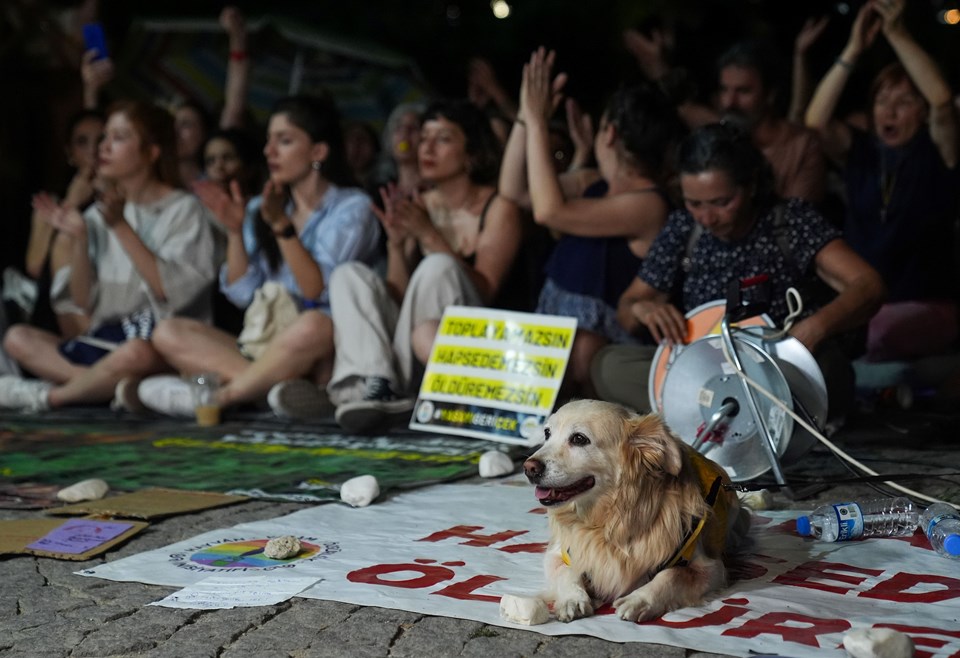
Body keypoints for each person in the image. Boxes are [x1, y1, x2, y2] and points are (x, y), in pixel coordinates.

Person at [591, 123, 886, 423]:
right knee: (608, 364)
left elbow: (868, 285)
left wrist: (814, 329)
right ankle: (729, 415)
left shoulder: (790, 221)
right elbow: (627, 311)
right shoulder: (684, 228)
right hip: (706, 372)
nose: (707, 217)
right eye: (695, 203)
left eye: (722, 203)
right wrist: (643, 309)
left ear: (751, 185)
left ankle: (716, 418)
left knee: (827, 371)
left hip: (781, 369)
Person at [123, 94, 383, 420]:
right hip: (266, 344)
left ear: (318, 151)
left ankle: (223, 395)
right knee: (167, 332)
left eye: (284, 141)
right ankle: (275, 389)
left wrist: (281, 227)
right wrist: (234, 231)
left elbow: (316, 291)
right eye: (268, 140)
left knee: (313, 324)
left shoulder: (352, 207)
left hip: (324, 347)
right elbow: (243, 294)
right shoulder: (261, 206)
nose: (269, 151)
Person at [286, 99, 523, 432]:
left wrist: (430, 235)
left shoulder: (499, 207)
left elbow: (486, 289)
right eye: (423, 138)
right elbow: (398, 294)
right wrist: (396, 246)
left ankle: (352, 393)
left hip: (466, 349)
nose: (425, 147)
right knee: (348, 274)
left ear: (472, 152)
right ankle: (375, 384)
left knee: (438, 266)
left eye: (442, 139)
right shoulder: (417, 204)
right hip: (410, 351)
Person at [0, 100, 217, 412]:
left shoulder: (184, 209)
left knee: (135, 354)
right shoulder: (95, 215)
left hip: (158, 346)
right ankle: (111, 387)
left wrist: (120, 226)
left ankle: (55, 396)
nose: (104, 147)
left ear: (152, 152)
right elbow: (83, 301)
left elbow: (170, 291)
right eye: (105, 137)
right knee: (17, 338)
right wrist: (79, 240)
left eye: (119, 137)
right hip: (105, 343)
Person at [499, 47, 683, 398]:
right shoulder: (592, 183)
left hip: (599, 345)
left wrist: (540, 123)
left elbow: (548, 212)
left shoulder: (650, 204)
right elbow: (515, 191)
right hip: (551, 333)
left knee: (581, 350)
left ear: (609, 134)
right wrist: (525, 116)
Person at [804, 0, 959, 363]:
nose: (889, 111)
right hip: (866, 309)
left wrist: (896, 34)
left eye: (904, 101)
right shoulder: (862, 151)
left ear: (920, 112)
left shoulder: (938, 152)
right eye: (881, 100)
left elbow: (942, 101)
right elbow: (814, 123)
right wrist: (854, 48)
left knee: (868, 339)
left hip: (924, 305)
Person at [626, 30, 827, 205]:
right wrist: (658, 65)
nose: (730, 102)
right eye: (724, 90)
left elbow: (796, 222)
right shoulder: (718, 131)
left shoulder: (803, 147)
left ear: (770, 95)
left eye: (743, 91)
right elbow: (684, 107)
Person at [369, 101, 425, 200]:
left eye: (413, 127)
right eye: (398, 127)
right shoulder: (380, 191)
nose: (404, 133)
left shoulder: (436, 190)